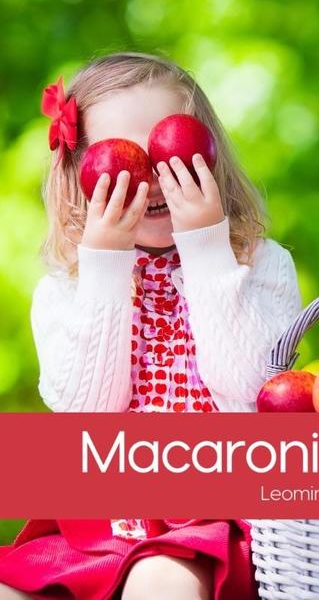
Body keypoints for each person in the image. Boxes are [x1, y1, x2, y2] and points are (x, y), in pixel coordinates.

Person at [0, 52, 301, 600]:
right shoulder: (65, 288)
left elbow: (256, 393)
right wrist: (104, 265)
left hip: (219, 511)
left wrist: (208, 247)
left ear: (209, 153)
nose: (153, 179)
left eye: (173, 152)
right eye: (123, 163)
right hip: (107, 518)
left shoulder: (260, 264)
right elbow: (84, 417)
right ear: (80, 173)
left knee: (160, 581)